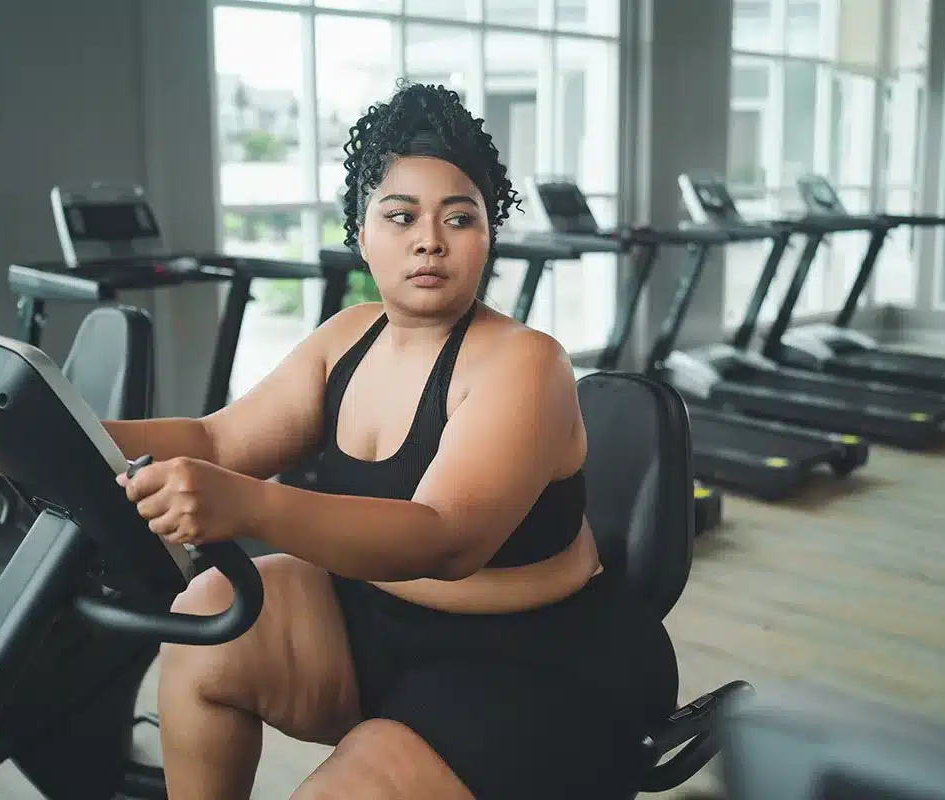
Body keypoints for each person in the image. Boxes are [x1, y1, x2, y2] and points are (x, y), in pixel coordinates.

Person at [102, 81, 679, 799]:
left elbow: (443, 538)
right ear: (362, 233)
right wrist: (68, 431)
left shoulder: (526, 364)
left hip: (536, 664)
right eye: (400, 216)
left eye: (459, 218)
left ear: (489, 234)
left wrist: (249, 508)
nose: (428, 240)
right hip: (379, 626)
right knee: (206, 618)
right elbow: (216, 439)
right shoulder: (346, 339)